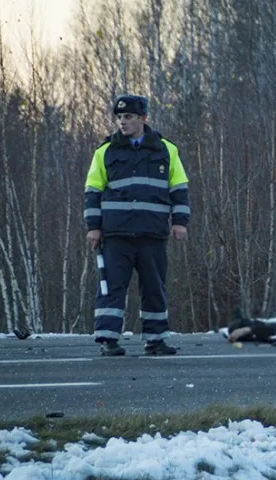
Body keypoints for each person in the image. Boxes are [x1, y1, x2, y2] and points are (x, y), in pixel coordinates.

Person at [84, 94, 190, 356]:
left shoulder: (166, 149)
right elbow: (92, 191)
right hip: (116, 234)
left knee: (154, 287)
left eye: (128, 117)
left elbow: (179, 189)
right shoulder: (105, 151)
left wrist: (180, 222)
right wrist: (93, 227)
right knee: (112, 287)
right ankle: (108, 340)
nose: (123, 122)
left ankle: (156, 340)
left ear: (143, 118)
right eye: (119, 117)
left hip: (151, 233)